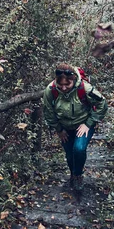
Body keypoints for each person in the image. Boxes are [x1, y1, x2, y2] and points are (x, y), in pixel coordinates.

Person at [43, 63, 108, 192]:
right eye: (60, 84)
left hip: (83, 124)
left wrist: (88, 123)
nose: (64, 88)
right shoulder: (51, 90)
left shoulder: (85, 88)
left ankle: (77, 175)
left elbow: (102, 104)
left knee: (78, 149)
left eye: (67, 85)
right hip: (64, 127)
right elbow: (48, 112)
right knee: (69, 153)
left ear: (73, 80)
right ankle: (73, 174)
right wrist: (59, 130)